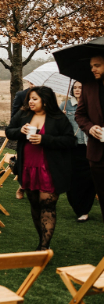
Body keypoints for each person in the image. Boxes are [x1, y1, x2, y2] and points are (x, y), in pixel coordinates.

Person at [7, 85, 75, 250]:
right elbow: (9, 131)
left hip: (49, 168)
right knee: (35, 205)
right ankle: (41, 239)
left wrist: (45, 139)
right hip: (28, 166)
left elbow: (69, 141)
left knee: (48, 206)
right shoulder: (23, 114)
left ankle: (44, 246)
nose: (30, 101)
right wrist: (20, 131)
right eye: (30, 98)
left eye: (34, 99)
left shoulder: (58, 118)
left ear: (45, 101)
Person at [61, 81, 96, 222]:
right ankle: (78, 207)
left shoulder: (92, 105)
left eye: (80, 87)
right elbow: (58, 127)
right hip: (72, 148)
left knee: (90, 180)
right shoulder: (65, 105)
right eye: (75, 87)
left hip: (89, 147)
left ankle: (85, 210)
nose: (77, 90)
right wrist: (61, 118)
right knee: (71, 179)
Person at [75, 55, 104, 224]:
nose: (92, 69)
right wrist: (89, 127)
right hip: (96, 155)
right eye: (92, 65)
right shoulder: (88, 87)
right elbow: (80, 115)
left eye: (97, 65)